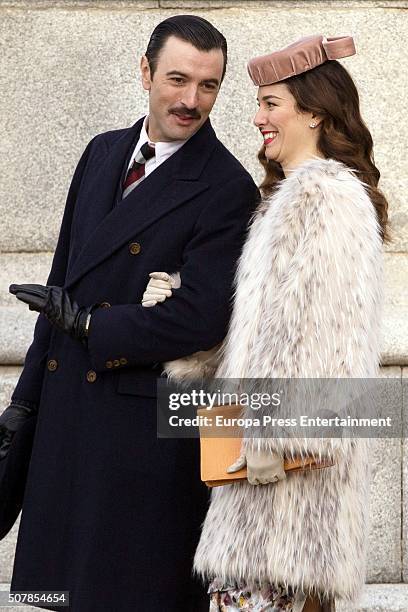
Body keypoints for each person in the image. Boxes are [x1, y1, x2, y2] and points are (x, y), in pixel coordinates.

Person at [2, 15, 259, 612]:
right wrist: (24, 402)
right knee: (58, 595)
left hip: (140, 444)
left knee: (128, 595)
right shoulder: (102, 152)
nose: (191, 100)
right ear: (144, 73)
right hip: (68, 424)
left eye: (209, 85)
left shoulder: (226, 185)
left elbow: (200, 319)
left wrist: (95, 326)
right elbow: (60, 284)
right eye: (177, 79)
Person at [141, 35, 387, 611]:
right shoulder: (287, 198)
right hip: (262, 473)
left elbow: (327, 340)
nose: (258, 118)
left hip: (283, 486)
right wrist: (183, 315)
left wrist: (276, 437)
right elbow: (263, 328)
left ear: (315, 111)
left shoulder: (325, 197)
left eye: (271, 103)